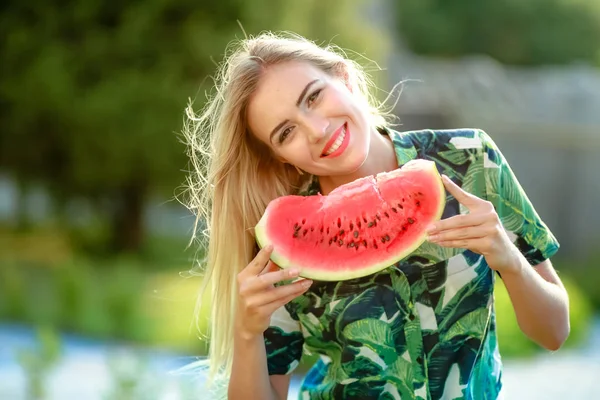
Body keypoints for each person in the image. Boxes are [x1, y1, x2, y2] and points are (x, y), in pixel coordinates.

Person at [180, 31, 570, 400]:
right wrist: (247, 334)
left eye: (313, 97)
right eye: (286, 133)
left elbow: (554, 332)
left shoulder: (469, 160)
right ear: (281, 158)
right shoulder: (283, 241)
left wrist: (510, 260)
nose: (315, 130)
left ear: (345, 78)